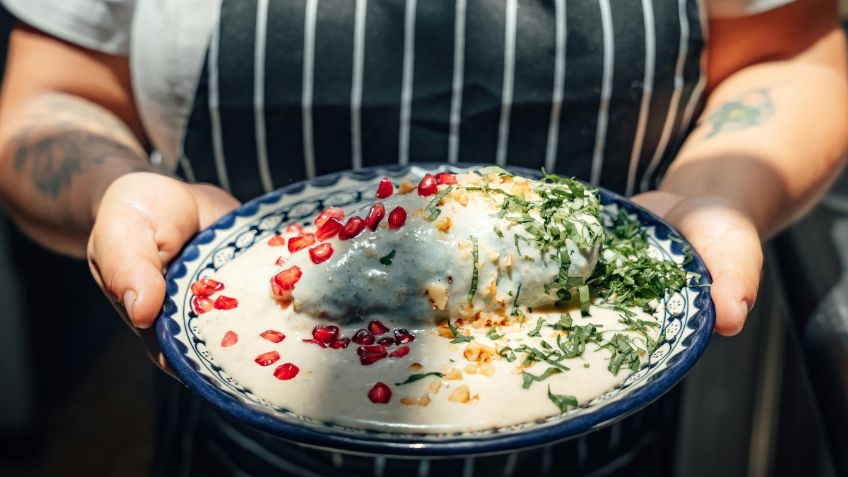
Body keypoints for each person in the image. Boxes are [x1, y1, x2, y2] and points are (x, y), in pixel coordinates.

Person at [0, 0, 845, 475]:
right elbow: (55, 94)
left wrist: (713, 194)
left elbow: (792, 54)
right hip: (242, 449)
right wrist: (117, 193)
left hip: (598, 446)